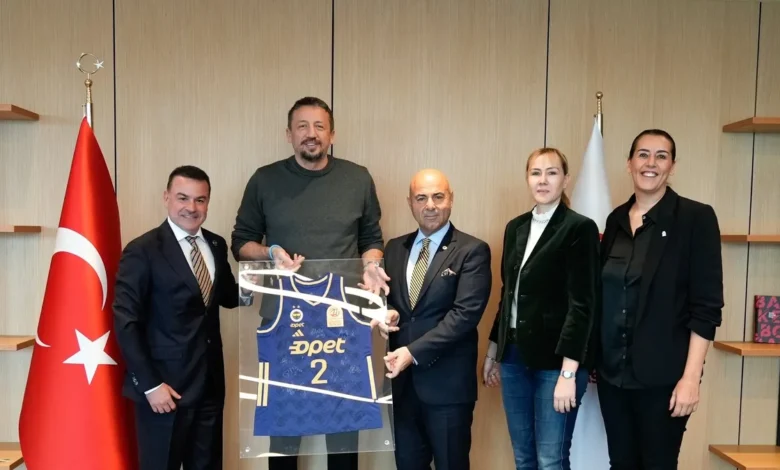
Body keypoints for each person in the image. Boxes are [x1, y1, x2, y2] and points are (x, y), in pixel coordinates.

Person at [231, 96, 389, 470]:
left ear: (332, 134)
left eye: (319, 126)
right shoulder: (264, 179)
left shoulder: (358, 178)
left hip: (344, 320)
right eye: (302, 126)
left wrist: (371, 265)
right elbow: (241, 242)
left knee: (343, 435)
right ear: (288, 134)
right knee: (284, 435)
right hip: (284, 322)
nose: (311, 134)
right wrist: (270, 253)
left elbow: (371, 238)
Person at [596, 129, 723, 469]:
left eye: (661, 156)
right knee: (620, 464)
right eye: (643, 154)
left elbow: (707, 307)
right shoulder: (616, 219)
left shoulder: (696, 218)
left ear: (672, 166)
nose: (650, 163)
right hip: (612, 375)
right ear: (629, 163)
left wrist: (691, 378)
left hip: (665, 377)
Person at [113, 165, 251, 470]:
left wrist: (272, 278)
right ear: (166, 198)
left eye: (200, 200)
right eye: (183, 198)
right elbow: (126, 323)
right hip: (165, 390)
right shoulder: (142, 250)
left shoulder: (216, 244)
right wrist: (150, 385)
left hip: (209, 387)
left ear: (208, 202)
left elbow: (229, 296)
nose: (192, 207)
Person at [482, 148, 600, 470]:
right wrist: (494, 350)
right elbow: (509, 294)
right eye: (536, 173)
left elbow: (583, 305)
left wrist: (568, 373)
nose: (543, 180)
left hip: (557, 362)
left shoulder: (579, 228)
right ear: (527, 178)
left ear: (566, 179)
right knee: (524, 459)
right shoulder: (515, 227)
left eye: (552, 172)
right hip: (514, 357)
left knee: (551, 461)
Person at [376, 168, 492, 470]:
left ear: (450, 199)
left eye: (438, 197)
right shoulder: (394, 248)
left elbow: (464, 316)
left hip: (447, 389)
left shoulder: (472, 250)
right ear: (410, 203)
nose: (430, 205)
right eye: (421, 198)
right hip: (402, 388)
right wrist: (387, 312)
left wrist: (412, 353)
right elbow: (396, 303)